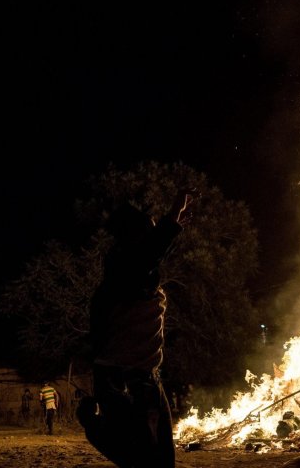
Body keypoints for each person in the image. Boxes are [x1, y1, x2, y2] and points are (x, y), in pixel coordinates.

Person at [78, 189, 196, 468]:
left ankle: (93, 425)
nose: (154, 233)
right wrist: (172, 217)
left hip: (132, 376)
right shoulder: (126, 268)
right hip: (128, 380)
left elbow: (148, 255)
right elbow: (148, 254)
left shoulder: (125, 274)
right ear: (135, 237)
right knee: (150, 459)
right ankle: (93, 426)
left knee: (154, 457)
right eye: (150, 229)